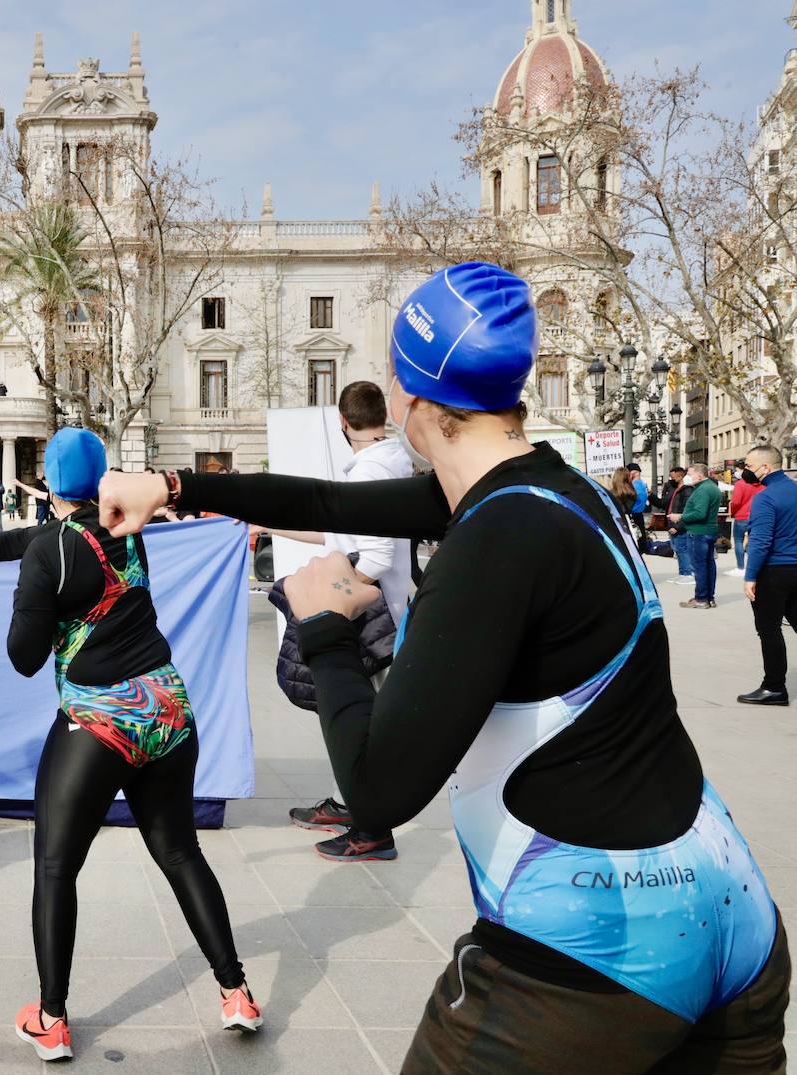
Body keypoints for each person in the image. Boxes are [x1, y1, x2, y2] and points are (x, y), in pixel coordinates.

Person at [95, 262, 787, 1071]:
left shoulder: (494, 540)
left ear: (410, 398)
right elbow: (324, 503)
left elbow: (380, 789)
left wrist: (325, 624)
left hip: (597, 944)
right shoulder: (554, 492)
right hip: (730, 907)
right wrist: (175, 483)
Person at [0, 428, 260, 1061]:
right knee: (180, 852)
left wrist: (28, 600)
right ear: (99, 480)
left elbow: (23, 658)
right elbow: (27, 539)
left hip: (99, 720)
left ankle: (51, 1019)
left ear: (44, 481)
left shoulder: (51, 554)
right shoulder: (126, 526)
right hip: (167, 708)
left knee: (56, 867)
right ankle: (236, 993)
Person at [261, 380, 414, 863]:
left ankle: (372, 830)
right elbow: (338, 532)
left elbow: (376, 552)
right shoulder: (392, 463)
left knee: (357, 720)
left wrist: (336, 602)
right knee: (354, 716)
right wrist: (265, 524)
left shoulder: (369, 472)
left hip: (370, 619)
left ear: (342, 422)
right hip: (382, 612)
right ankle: (354, 808)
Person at [738, 444, 797, 706]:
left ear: (765, 467)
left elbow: (760, 541)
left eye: (749, 466)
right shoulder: (794, 489)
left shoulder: (766, 497)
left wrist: (750, 577)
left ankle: (774, 687)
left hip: (773, 571)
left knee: (769, 629)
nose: (746, 471)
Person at [672, 463, 719, 610]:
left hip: (698, 532)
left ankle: (701, 598)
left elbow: (700, 513)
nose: (687, 477)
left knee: (699, 566)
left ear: (699, 475)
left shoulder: (703, 490)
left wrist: (680, 516)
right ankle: (708, 597)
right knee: (708, 565)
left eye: (690, 474)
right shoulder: (711, 487)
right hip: (708, 531)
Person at [726, 467, 763, 578]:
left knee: (738, 541)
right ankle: (753, 567)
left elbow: (736, 502)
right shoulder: (762, 485)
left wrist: (733, 512)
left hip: (741, 516)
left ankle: (741, 567)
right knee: (754, 542)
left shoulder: (740, 484)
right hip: (756, 516)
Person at [664, 466, 695, 585]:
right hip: (674, 523)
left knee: (682, 549)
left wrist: (677, 526)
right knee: (678, 549)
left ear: (680, 475)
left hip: (680, 525)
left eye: (673, 475)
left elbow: (686, 511)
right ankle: (683, 573)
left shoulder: (687, 490)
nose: (671, 478)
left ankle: (688, 573)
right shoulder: (677, 489)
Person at [626, 461, 649, 538]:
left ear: (633, 473)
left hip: (632, 515)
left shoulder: (634, 486)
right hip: (639, 515)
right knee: (641, 536)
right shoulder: (643, 484)